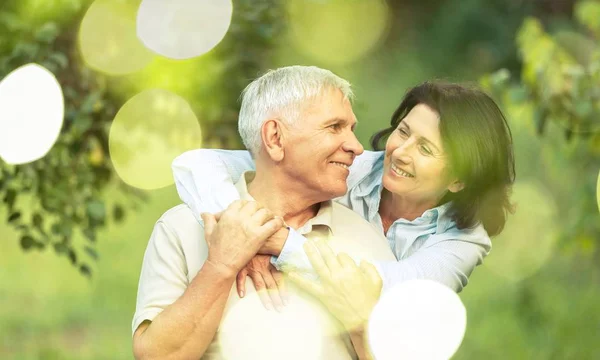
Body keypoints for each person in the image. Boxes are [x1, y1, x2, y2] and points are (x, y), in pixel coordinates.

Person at [172, 80, 516, 325]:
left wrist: (277, 242)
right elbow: (197, 164)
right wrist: (240, 229)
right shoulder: (351, 168)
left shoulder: (465, 239)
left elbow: (382, 286)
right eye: (404, 131)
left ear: (458, 180)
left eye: (425, 149)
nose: (401, 152)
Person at [132, 65, 397, 360]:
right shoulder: (180, 229)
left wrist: (362, 325)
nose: (357, 147)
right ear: (274, 138)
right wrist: (221, 265)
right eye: (334, 127)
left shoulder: (367, 240)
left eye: (352, 129)